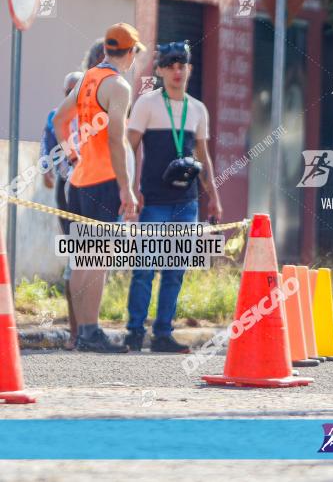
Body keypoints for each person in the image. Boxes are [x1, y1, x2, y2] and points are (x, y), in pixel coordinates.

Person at [124, 41, 222, 353]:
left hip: (187, 203)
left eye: (183, 65)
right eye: (171, 65)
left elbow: (203, 157)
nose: (177, 71)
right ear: (160, 70)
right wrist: (128, 189)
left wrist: (214, 198)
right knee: (144, 270)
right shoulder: (147, 104)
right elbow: (129, 148)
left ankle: (163, 333)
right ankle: (134, 332)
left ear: (189, 69)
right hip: (153, 201)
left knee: (175, 270)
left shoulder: (197, 109)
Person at [53, 23, 142, 353]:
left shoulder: (87, 78)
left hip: (77, 182)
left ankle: (85, 332)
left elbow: (59, 120)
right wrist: (126, 188)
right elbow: (117, 140)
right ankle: (90, 332)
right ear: (130, 52)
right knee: (97, 259)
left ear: (107, 50)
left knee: (82, 259)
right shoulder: (118, 86)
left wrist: (71, 152)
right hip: (103, 182)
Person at [41, 71, 82, 350]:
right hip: (68, 188)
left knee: (94, 258)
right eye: (67, 91)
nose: (71, 97)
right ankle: (76, 330)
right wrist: (46, 168)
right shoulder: (57, 116)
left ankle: (90, 326)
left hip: (95, 189)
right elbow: (47, 143)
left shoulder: (95, 116)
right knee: (76, 256)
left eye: (75, 91)